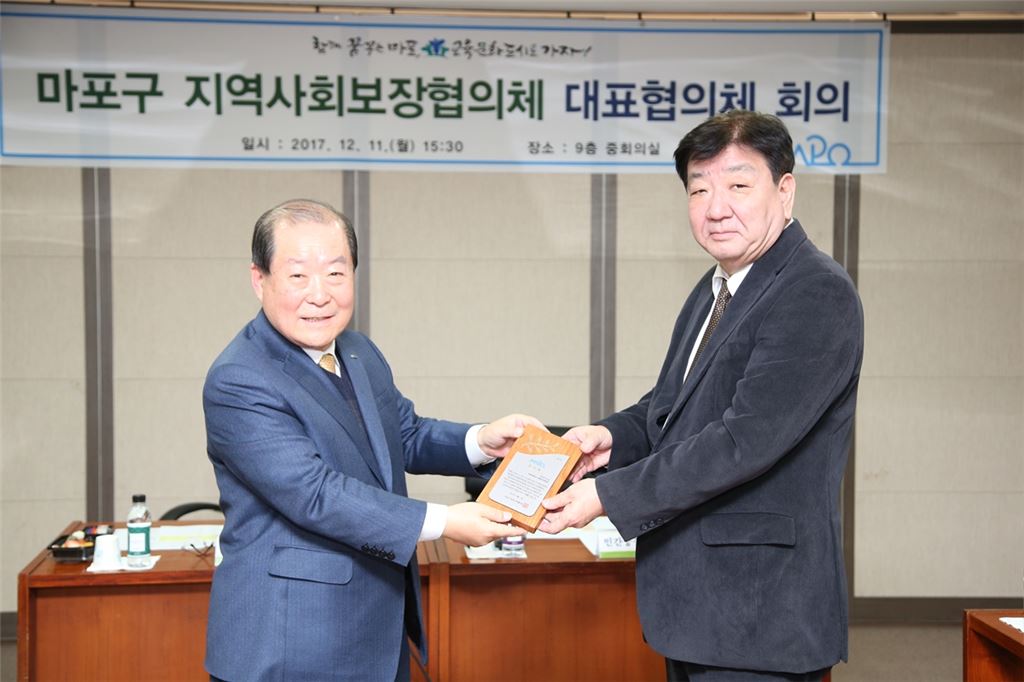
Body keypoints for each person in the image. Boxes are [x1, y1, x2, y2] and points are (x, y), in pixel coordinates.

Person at [541, 110, 864, 681]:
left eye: (738, 185)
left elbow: (743, 440)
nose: (716, 208)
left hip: (760, 612)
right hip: (702, 607)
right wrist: (611, 437)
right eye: (699, 189)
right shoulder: (718, 285)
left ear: (785, 191)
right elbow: (672, 405)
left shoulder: (814, 291)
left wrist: (606, 496)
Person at [203, 198, 534, 681]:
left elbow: (405, 433)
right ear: (260, 279)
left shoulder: (358, 351)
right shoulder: (240, 378)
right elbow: (314, 493)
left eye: (336, 273)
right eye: (298, 275)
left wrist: (483, 441)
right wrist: (444, 521)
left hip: (375, 631)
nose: (320, 294)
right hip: (290, 644)